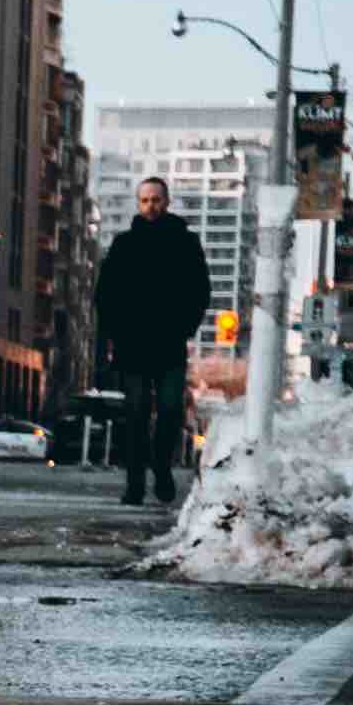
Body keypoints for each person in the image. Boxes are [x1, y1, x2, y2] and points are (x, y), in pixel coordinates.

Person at [93, 173, 214, 508]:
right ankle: (134, 485)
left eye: (156, 200)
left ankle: (161, 468)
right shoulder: (124, 245)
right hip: (132, 346)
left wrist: (185, 327)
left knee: (171, 410)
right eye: (145, 200)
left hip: (170, 345)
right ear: (138, 203)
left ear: (167, 201)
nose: (150, 206)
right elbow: (105, 296)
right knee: (134, 415)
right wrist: (113, 336)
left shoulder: (185, 242)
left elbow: (200, 290)